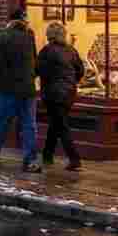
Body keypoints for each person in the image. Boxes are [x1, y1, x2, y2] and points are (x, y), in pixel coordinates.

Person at [0, 7, 41, 172]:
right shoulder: (29, 36)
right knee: (29, 125)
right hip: (27, 89)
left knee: (3, 123)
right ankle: (30, 160)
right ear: (23, 22)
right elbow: (35, 61)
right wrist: (31, 76)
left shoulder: (2, 37)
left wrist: (2, 79)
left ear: (10, 21)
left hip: (7, 88)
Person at [36, 21, 84, 171]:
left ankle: (74, 159)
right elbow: (80, 70)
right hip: (69, 92)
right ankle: (47, 154)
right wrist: (71, 82)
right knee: (56, 123)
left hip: (53, 93)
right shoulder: (71, 50)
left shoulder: (47, 51)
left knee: (61, 125)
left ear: (49, 35)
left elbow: (38, 70)